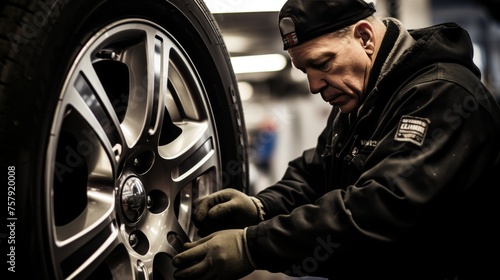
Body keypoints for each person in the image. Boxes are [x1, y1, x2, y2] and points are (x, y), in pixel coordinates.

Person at [172, 0, 500, 279]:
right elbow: (314, 176)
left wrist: (253, 246)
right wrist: (262, 207)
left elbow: (380, 207)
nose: (315, 85)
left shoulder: (444, 95)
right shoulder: (360, 102)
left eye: (322, 63)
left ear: (364, 37)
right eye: (305, 71)